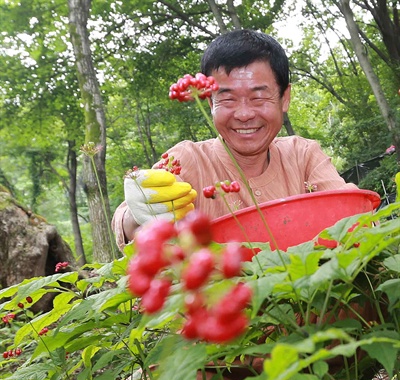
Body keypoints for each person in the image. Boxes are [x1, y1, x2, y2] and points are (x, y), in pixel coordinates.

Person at [112, 28, 356, 251]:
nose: (244, 114)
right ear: (210, 102)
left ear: (285, 98)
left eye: (258, 97)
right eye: (227, 99)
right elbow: (129, 229)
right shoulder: (187, 160)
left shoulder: (303, 155)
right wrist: (137, 216)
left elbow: (352, 215)